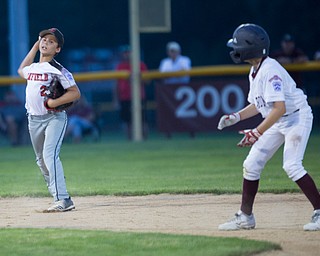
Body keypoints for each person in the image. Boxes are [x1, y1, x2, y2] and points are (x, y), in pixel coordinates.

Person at [217, 23, 320, 231]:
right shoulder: (255, 69)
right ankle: (245, 217)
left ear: (249, 48)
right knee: (252, 164)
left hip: (296, 117)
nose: (234, 50)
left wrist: (256, 132)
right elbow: (259, 104)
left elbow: (279, 108)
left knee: (291, 165)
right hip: (279, 119)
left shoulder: (270, 70)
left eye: (237, 46)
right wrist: (236, 117)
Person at [17, 28, 81, 212]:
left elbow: (75, 92)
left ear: (58, 49)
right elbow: (21, 69)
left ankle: (63, 198)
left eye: (51, 41)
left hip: (54, 118)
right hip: (34, 119)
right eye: (43, 39)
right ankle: (56, 194)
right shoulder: (33, 69)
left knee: (49, 154)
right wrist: (35, 48)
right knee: (40, 160)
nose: (46, 43)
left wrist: (55, 102)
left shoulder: (58, 69)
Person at [115, 45, 148, 140]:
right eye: (125, 53)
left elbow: (147, 81)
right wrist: (116, 99)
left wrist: (138, 77)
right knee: (127, 121)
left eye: (128, 52)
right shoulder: (120, 66)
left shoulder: (140, 64)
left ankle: (144, 141)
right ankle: (129, 141)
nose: (127, 55)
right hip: (125, 97)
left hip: (139, 96)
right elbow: (116, 84)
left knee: (142, 120)